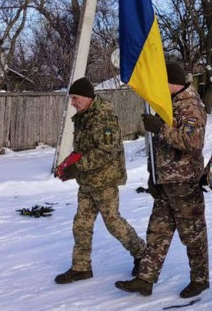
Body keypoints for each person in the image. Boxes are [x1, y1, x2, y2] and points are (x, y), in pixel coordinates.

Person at [115, 63, 209, 299]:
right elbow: (158, 148)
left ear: (172, 82)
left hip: (185, 182)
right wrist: (152, 174)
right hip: (165, 181)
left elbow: (192, 142)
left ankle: (200, 280)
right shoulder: (166, 103)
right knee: (157, 231)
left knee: (192, 234)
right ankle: (145, 279)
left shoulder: (190, 105)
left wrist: (161, 129)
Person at [54, 78, 146, 285]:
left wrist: (78, 166)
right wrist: (70, 164)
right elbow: (83, 148)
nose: (73, 103)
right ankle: (81, 267)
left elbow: (107, 151)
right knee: (81, 224)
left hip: (104, 180)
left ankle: (142, 254)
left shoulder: (103, 117)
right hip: (87, 180)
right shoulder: (83, 116)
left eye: (75, 98)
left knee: (113, 222)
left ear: (87, 97)